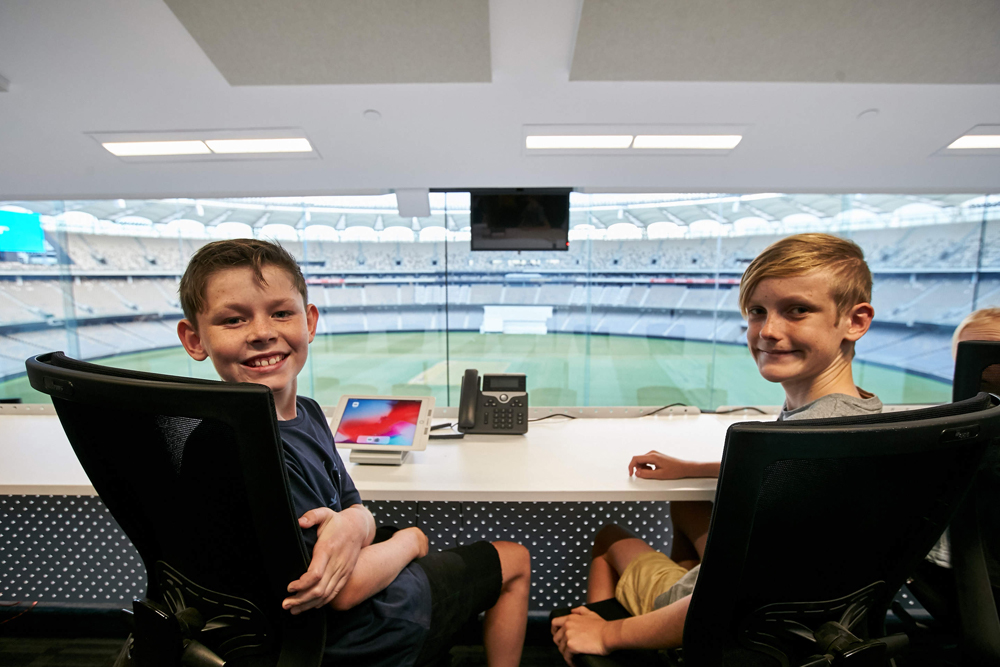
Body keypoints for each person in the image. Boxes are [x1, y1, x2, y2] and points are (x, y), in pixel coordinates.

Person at [176, 239, 530, 667]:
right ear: (195, 340)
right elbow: (341, 590)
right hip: (361, 634)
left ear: (309, 322)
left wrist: (356, 521)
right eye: (234, 320)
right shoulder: (248, 450)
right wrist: (410, 541)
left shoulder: (304, 412)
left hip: (297, 634)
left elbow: (351, 504)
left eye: (281, 312)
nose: (262, 332)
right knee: (515, 558)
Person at [552, 233, 882, 662]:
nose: (767, 331)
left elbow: (729, 598)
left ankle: (613, 641)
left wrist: (608, 634)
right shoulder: (850, 418)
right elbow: (780, 474)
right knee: (688, 507)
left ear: (855, 322)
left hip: (717, 613)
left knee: (609, 539)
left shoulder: (809, 449)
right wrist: (689, 467)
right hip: (809, 613)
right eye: (756, 312)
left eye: (797, 311)